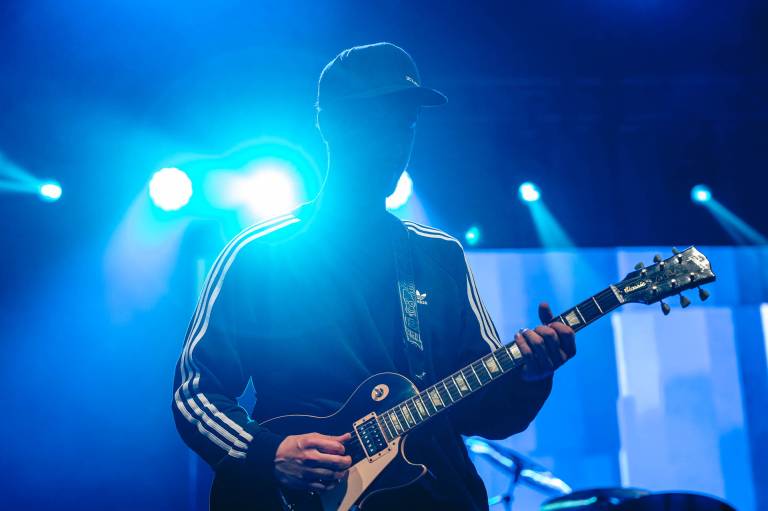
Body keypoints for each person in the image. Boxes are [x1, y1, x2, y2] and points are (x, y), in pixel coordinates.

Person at [172, 42, 576, 510]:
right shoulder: (259, 254)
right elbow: (195, 393)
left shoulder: (439, 255)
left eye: (407, 122)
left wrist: (531, 375)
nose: (395, 140)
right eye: (376, 119)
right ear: (329, 124)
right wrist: (269, 452)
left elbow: (486, 413)